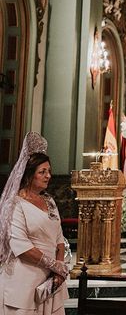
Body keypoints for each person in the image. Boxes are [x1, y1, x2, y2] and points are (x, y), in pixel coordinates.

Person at [0, 132, 69, 314]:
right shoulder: (15, 204)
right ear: (29, 175)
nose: (48, 176)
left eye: (49, 171)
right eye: (42, 172)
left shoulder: (50, 201)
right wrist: (54, 265)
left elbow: (59, 239)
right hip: (24, 279)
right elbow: (21, 246)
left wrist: (58, 272)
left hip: (50, 281)